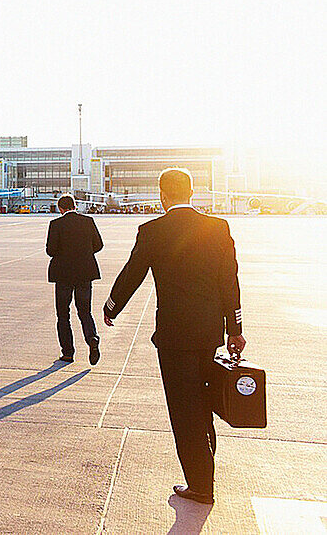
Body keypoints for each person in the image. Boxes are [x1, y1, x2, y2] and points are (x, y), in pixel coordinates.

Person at [103, 168, 245, 505]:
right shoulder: (218, 228)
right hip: (210, 332)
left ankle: (200, 485)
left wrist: (111, 307)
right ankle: (205, 469)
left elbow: (132, 274)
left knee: (185, 408)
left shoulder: (153, 231)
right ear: (192, 193)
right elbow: (230, 282)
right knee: (204, 403)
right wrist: (235, 330)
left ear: (163, 194)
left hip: (175, 335)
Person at [46, 194, 104, 365]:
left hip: (63, 275)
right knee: (85, 311)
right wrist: (84, 253)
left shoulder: (55, 224)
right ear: (75, 206)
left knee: (63, 315)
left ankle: (68, 353)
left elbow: (51, 250)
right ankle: (92, 338)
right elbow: (99, 245)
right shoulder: (88, 221)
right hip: (85, 273)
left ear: (60, 208)